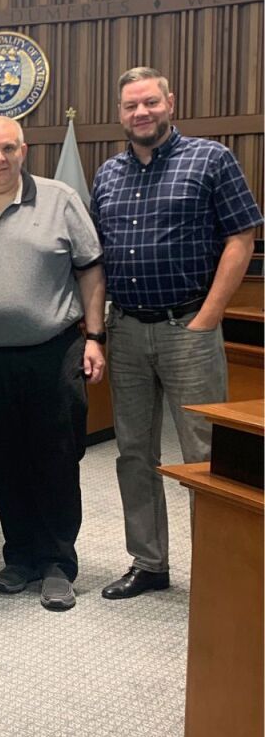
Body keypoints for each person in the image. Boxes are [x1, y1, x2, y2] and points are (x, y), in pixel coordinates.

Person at [91, 66, 262, 600]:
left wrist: (208, 317)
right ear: (120, 114)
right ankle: (149, 563)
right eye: (130, 106)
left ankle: (217, 567)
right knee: (134, 453)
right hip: (127, 330)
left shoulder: (210, 159)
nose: (140, 113)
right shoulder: (107, 175)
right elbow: (94, 257)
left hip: (188, 325)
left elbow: (242, 236)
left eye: (149, 103)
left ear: (170, 102)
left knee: (205, 454)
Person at [0, 117, 106, 612]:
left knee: (55, 456)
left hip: (53, 350)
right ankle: (20, 557)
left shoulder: (59, 200)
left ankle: (58, 563)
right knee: (4, 461)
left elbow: (91, 269)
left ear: (24, 150)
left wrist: (95, 337)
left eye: (9, 148)